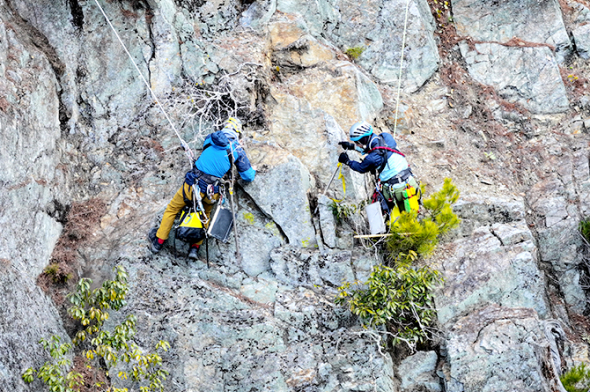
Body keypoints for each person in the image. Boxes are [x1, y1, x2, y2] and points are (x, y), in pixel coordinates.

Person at [149, 117, 255, 259]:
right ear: (237, 133)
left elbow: (208, 149)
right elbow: (248, 176)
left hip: (192, 185)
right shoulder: (237, 150)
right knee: (205, 216)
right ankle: (194, 248)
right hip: (211, 192)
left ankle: (158, 242)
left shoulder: (211, 138)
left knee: (172, 209)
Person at [338, 120, 419, 214]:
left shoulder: (372, 158)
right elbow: (376, 148)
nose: (356, 144)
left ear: (363, 140)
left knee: (389, 212)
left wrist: (347, 161)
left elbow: (361, 168)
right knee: (411, 212)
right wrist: (352, 147)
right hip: (410, 182)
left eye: (356, 142)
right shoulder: (385, 137)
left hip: (397, 191)